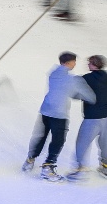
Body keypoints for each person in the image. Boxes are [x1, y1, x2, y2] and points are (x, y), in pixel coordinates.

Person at [24, 52, 96, 182]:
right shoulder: (73, 80)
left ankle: (30, 159)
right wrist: (80, 95)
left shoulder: (53, 73)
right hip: (59, 114)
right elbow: (90, 97)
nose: (75, 64)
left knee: (41, 136)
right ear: (69, 63)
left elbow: (62, 89)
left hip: (46, 110)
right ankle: (48, 167)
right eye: (74, 62)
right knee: (58, 141)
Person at [70, 55, 107, 181]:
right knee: (105, 145)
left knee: (82, 144)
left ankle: (81, 169)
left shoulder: (86, 79)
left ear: (94, 64)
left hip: (92, 118)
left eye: (90, 63)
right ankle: (105, 167)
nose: (88, 65)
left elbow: (75, 93)